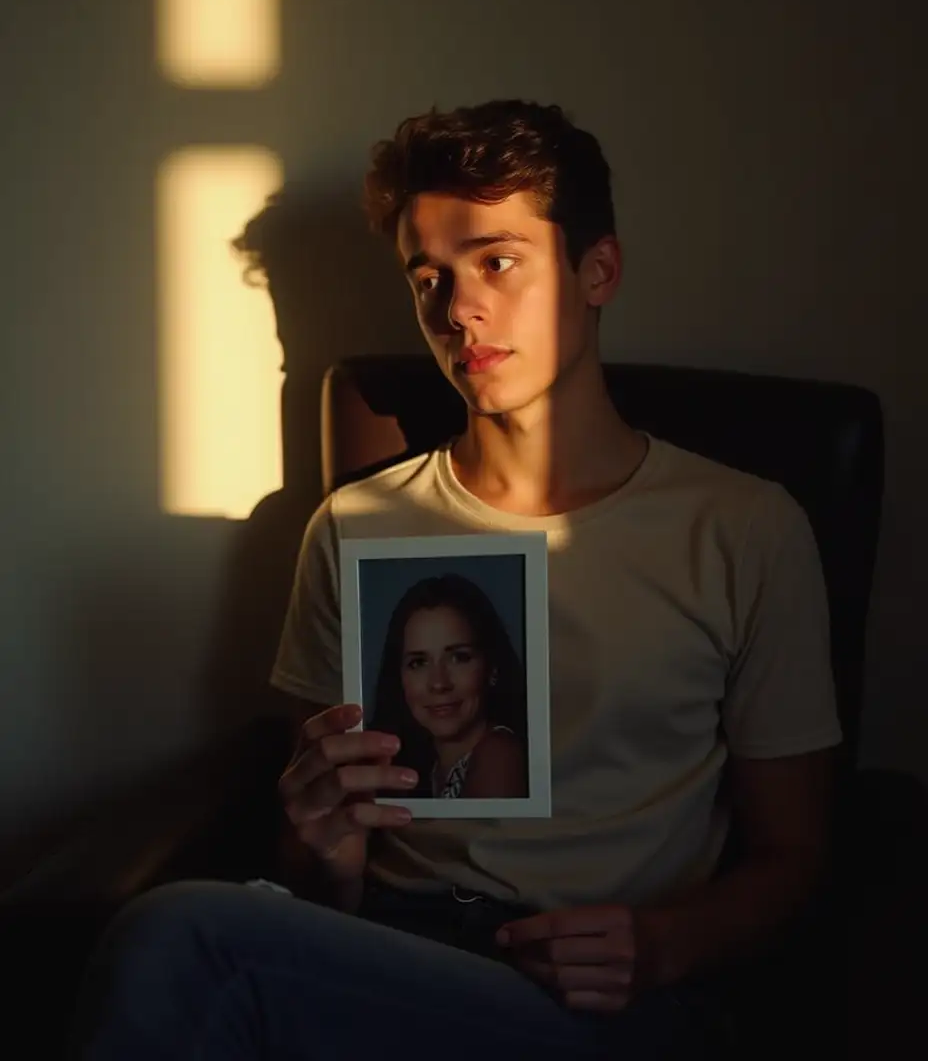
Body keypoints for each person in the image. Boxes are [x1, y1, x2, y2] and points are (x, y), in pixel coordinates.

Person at [72, 100, 841, 1059]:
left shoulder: (743, 528)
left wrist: (664, 946)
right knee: (183, 941)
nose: (457, 308)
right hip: (388, 964)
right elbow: (320, 883)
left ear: (596, 270)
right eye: (428, 276)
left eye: (498, 261)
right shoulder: (357, 527)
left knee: (176, 934)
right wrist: (321, 852)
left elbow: (794, 855)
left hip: (604, 994)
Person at [370, 572, 527, 799]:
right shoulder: (428, 769)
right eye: (419, 663)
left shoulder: (499, 755)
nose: (438, 683)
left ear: (492, 668)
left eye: (459, 658)